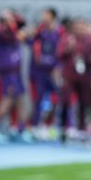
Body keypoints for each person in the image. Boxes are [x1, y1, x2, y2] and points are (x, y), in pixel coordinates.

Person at [0, 10, 33, 144]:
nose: (12, 21)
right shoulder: (2, 33)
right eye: (8, 19)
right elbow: (18, 35)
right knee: (6, 101)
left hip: (16, 72)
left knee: (21, 101)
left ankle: (20, 130)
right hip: (8, 73)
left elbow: (25, 31)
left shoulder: (14, 31)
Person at [28, 8, 60, 140]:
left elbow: (61, 52)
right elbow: (26, 39)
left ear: (52, 16)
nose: (43, 17)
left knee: (57, 100)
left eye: (46, 14)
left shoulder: (59, 33)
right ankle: (34, 127)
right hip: (38, 73)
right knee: (38, 101)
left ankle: (48, 124)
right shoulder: (38, 32)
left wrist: (57, 68)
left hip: (53, 73)